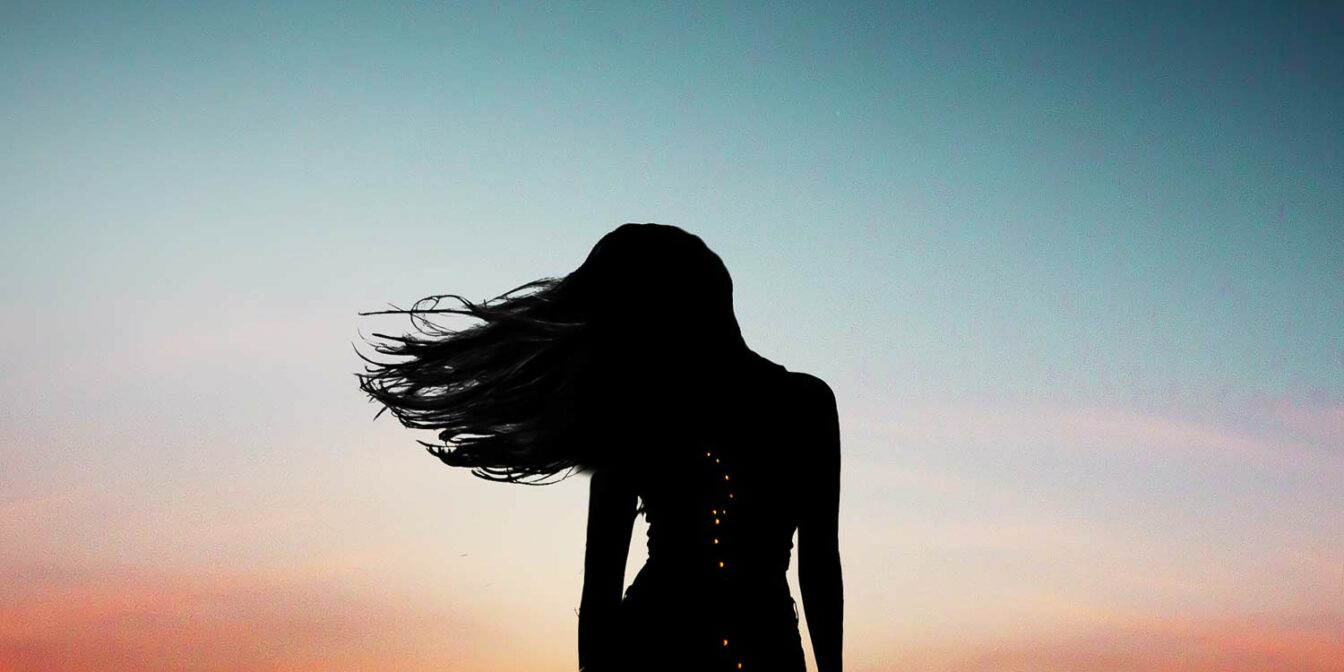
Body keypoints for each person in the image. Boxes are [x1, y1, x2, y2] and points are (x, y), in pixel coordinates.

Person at [356, 223, 843, 672]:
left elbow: (820, 564)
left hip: (733, 646)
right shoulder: (787, 403)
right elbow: (602, 582)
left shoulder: (800, 403)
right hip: (680, 648)